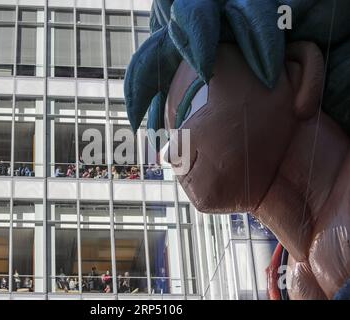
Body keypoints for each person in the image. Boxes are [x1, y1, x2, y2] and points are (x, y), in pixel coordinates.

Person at [125, 0, 350, 300]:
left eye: (197, 101)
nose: (171, 153)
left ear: (297, 74)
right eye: (173, 133)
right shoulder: (287, 276)